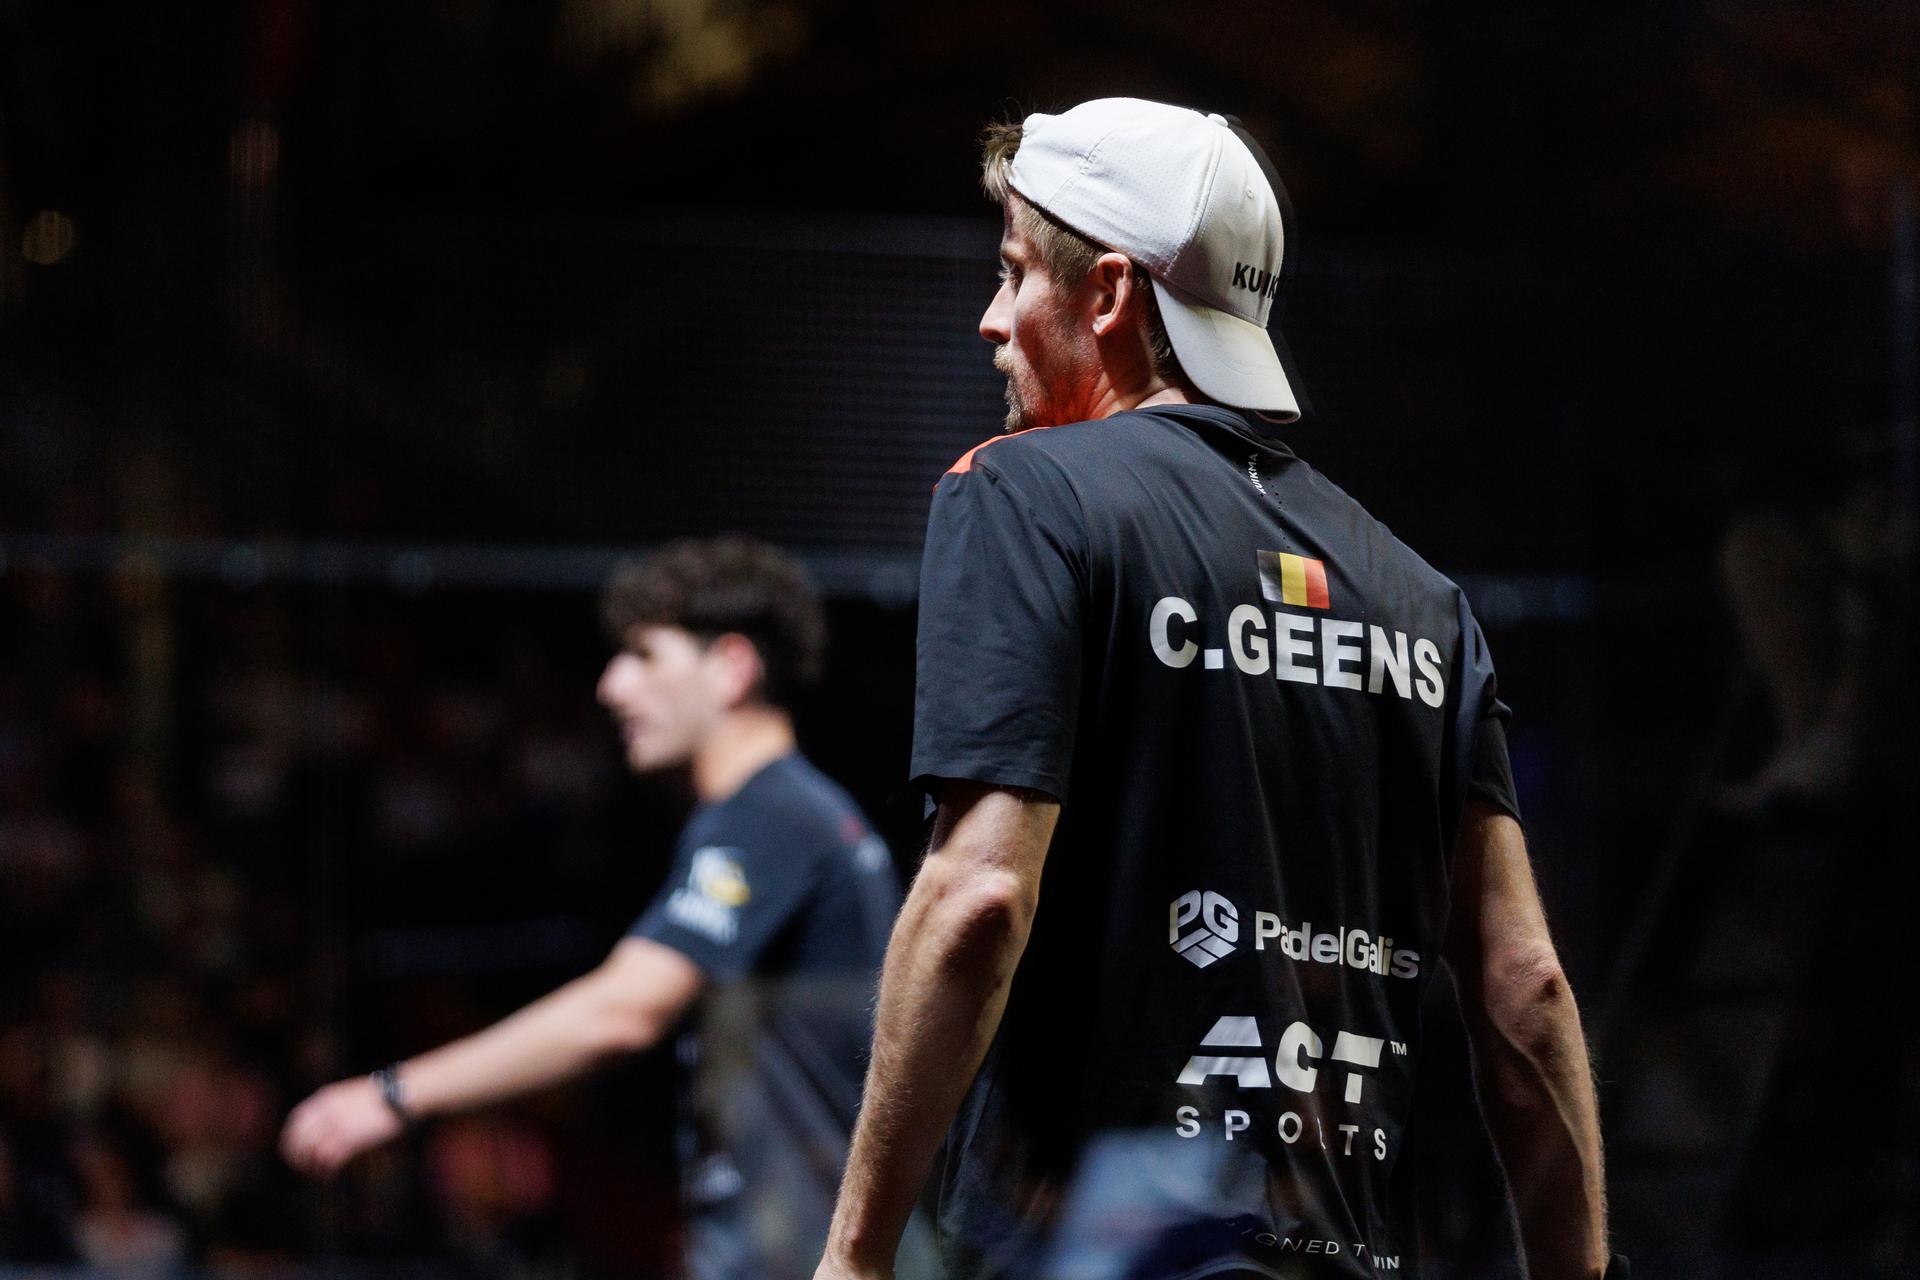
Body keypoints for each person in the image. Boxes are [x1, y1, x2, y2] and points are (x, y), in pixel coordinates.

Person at [816, 99, 1621, 1280]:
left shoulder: (1023, 495)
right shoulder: (1421, 596)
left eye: (1013, 274)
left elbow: (980, 895)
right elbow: (1527, 982)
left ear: (1107, 296)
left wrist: (852, 1255)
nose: (991, 320)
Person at [280, 536, 907, 1280]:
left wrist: (392, 1095)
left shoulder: (770, 817)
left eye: (644, 655)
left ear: (731, 667)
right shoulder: (801, 814)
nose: (612, 686)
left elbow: (621, 1011)